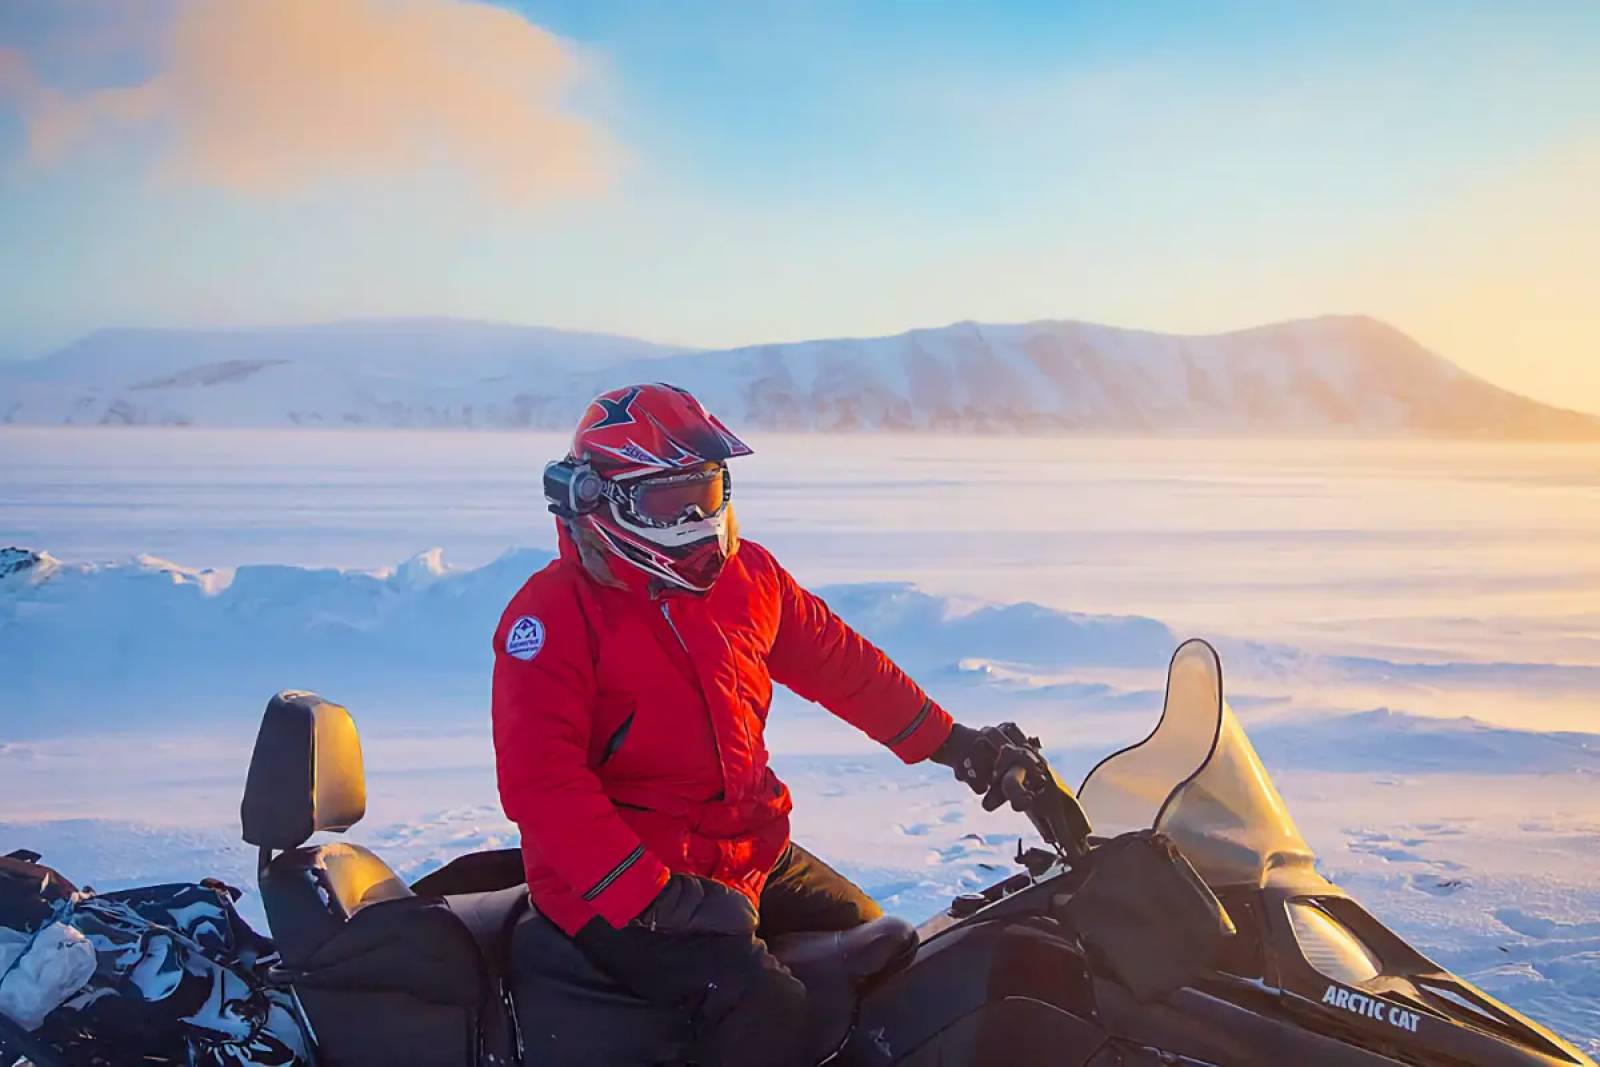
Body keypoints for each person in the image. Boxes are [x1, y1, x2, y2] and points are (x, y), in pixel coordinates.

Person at [492, 383, 1017, 1066]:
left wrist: (957, 743)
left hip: (744, 854)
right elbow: (542, 784)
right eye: (668, 499)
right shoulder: (552, 615)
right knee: (768, 1007)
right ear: (599, 498)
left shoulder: (748, 578)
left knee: (885, 952)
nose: (694, 516)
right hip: (613, 885)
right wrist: (651, 893)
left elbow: (843, 665)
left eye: (705, 491)